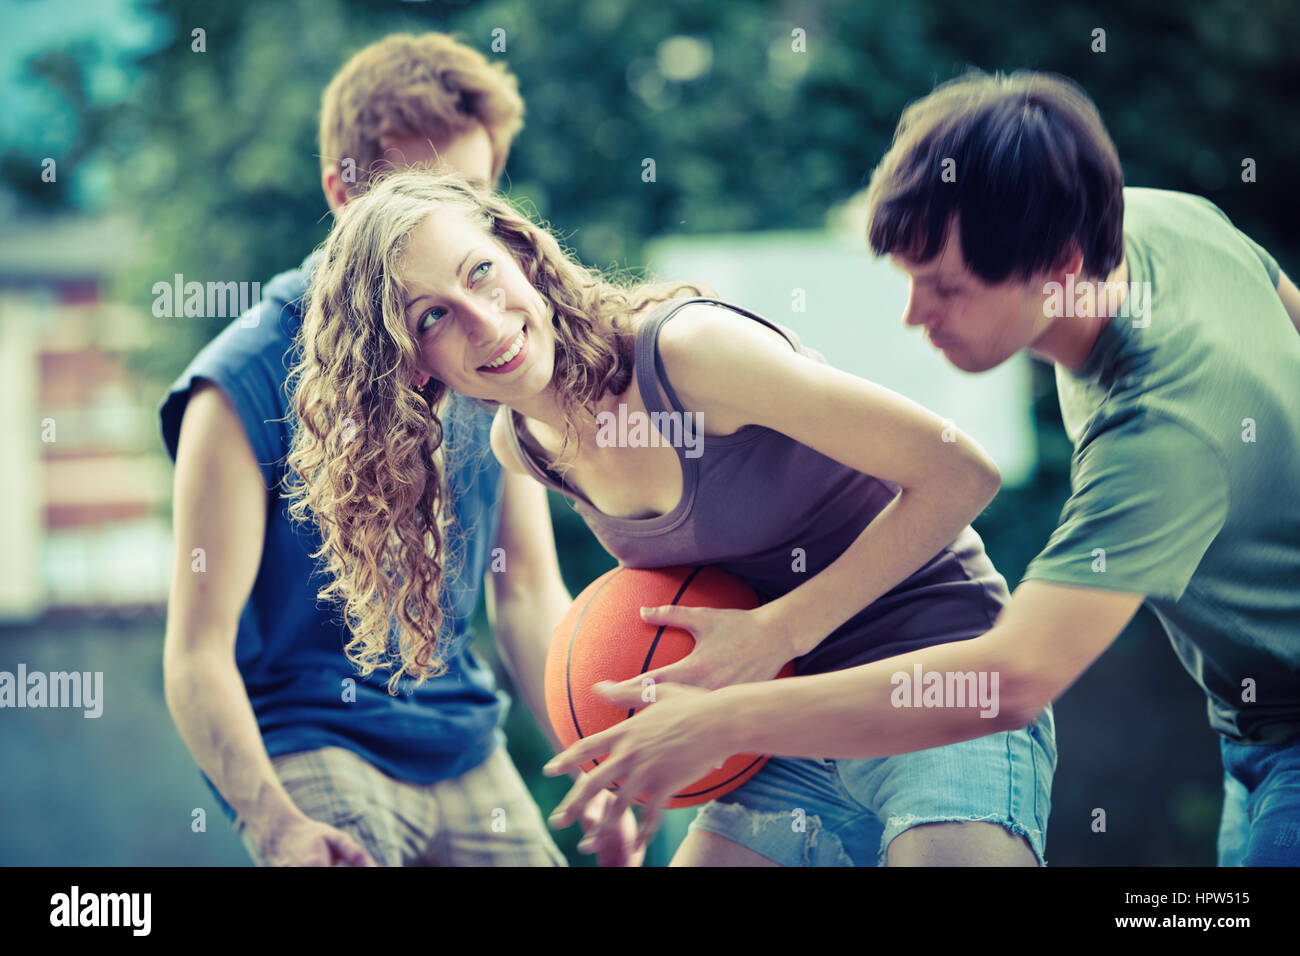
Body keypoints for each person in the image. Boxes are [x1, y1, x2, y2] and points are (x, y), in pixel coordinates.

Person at [546, 69, 1300, 867]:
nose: (914, 316)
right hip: (1253, 721)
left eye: (944, 288)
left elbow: (1007, 683)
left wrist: (728, 719)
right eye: (908, 278)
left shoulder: (1161, 432)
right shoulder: (1162, 222)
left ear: (1062, 266)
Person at [284, 168, 1060, 867]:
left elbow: (960, 472)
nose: (483, 321)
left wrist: (778, 634)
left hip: (936, 676)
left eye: (480, 272)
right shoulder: (525, 445)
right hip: (777, 727)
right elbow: (683, 600)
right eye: (431, 319)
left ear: (518, 250)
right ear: (411, 367)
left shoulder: (690, 354)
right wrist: (634, 772)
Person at [160, 32, 635, 868]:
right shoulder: (239, 380)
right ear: (344, 194)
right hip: (316, 741)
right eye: (421, 191)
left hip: (463, 739)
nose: (448, 224)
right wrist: (273, 824)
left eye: (473, 193)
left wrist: (599, 760)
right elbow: (197, 651)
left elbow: (522, 586)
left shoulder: (489, 347)